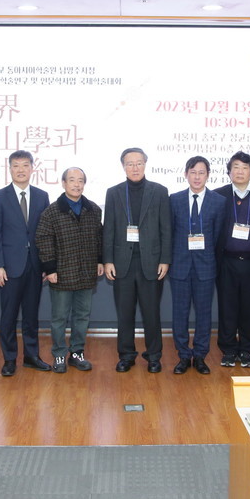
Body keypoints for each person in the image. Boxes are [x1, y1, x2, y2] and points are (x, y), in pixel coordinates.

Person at [103, 147, 172, 373]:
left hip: (151, 263)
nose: (135, 167)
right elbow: (109, 229)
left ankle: (153, 356)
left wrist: (165, 259)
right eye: (130, 163)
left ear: (145, 164)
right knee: (125, 314)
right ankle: (126, 355)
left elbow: (166, 228)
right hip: (122, 263)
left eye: (139, 163)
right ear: (123, 166)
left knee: (152, 313)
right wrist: (108, 260)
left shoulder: (160, 191)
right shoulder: (113, 193)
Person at [0, 150, 52, 377]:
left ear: (33, 168)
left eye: (25, 165)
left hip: (34, 266)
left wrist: (46, 265)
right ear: (10, 169)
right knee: (9, 315)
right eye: (16, 165)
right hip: (9, 267)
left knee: (32, 315)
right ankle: (9, 359)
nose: (21, 169)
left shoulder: (42, 196)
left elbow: (46, 235)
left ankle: (32, 356)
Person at [35, 167, 104, 373]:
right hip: (62, 273)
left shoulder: (93, 209)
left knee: (82, 315)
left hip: (86, 272)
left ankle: (77, 353)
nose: (76, 184)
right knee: (59, 318)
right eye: (72, 180)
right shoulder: (52, 211)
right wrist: (50, 268)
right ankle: (58, 355)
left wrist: (100, 260)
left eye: (80, 180)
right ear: (63, 183)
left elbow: (99, 238)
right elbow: (44, 240)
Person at [214, 151, 250, 368]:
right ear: (229, 172)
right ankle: (228, 350)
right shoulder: (218, 195)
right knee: (227, 309)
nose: (240, 171)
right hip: (226, 262)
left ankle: (247, 350)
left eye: (244, 167)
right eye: (235, 167)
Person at [169, 156, 225, 375]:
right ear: (186, 174)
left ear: (208, 175)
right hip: (180, 266)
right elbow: (170, 233)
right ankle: (183, 355)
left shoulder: (218, 201)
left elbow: (219, 236)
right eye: (193, 172)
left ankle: (200, 356)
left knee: (204, 314)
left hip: (206, 267)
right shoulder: (174, 199)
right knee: (179, 313)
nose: (197, 177)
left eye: (201, 172)